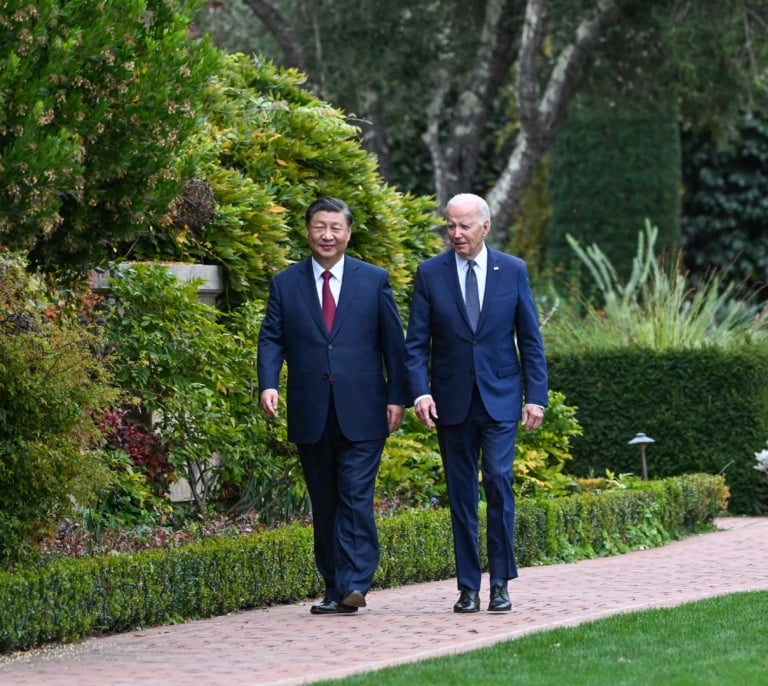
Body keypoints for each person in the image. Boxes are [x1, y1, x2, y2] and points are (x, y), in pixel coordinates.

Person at [257, 197, 409, 615]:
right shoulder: (285, 283)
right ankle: (333, 588)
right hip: (311, 410)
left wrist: (399, 396)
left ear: (348, 233)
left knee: (355, 496)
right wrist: (268, 384)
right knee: (324, 503)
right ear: (307, 231)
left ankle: (356, 581)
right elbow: (272, 338)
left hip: (365, 409)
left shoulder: (373, 279)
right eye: (320, 227)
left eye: (335, 228)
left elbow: (394, 345)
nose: (327, 235)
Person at [404, 193, 548, 613]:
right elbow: (415, 345)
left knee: (499, 483)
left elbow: (531, 342)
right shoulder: (430, 274)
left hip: (501, 400)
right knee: (461, 494)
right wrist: (421, 391)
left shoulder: (513, 270)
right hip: (451, 402)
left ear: (485, 227)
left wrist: (535, 397)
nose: (456, 233)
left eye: (464, 226)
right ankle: (468, 586)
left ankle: (500, 581)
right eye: (450, 225)